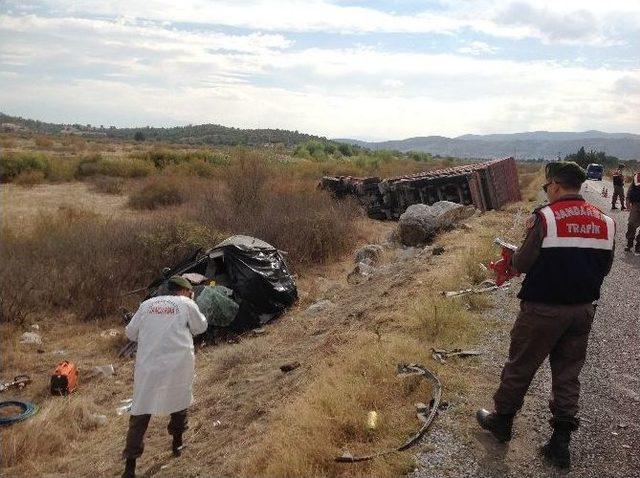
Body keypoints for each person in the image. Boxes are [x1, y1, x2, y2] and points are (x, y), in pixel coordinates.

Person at [476, 162, 615, 470]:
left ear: (554, 185)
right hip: (582, 311)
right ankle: (560, 444)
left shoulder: (546, 217)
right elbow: (604, 268)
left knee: (520, 366)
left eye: (546, 187)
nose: (546, 192)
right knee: (567, 374)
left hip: (542, 309)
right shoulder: (606, 222)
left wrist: (513, 256)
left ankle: (502, 423)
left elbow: (523, 264)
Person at [121, 276, 208, 478]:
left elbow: (131, 333)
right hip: (178, 363)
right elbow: (200, 327)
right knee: (179, 402)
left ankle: (130, 467)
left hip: (149, 367)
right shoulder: (186, 303)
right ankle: (177, 444)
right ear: (185, 291)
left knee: (140, 412)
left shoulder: (146, 305)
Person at [625, 170, 640, 255]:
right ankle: (630, 242)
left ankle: (639, 246)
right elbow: (630, 190)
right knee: (631, 223)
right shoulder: (637, 177)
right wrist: (627, 200)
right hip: (636, 204)